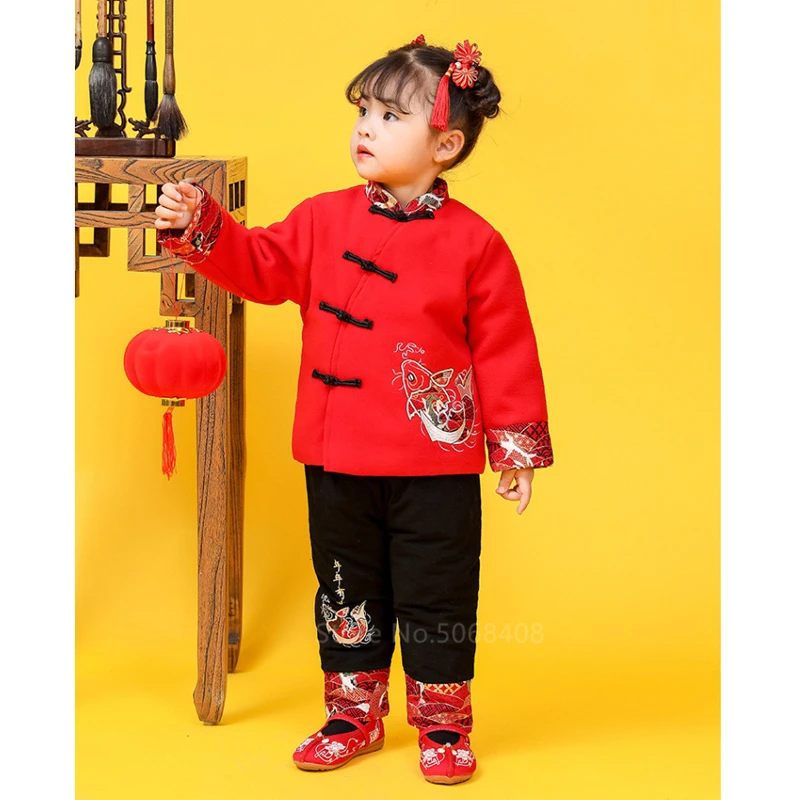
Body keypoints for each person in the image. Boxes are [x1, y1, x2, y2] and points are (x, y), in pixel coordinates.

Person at [154, 34, 554, 785]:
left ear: (446, 144)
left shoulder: (478, 244)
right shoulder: (321, 219)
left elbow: (505, 348)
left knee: (439, 592)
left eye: (390, 116)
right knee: (345, 588)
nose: (366, 127)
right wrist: (199, 220)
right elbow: (258, 265)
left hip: (435, 464)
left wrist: (517, 451)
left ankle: (444, 724)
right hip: (336, 454)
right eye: (363, 111)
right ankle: (352, 714)